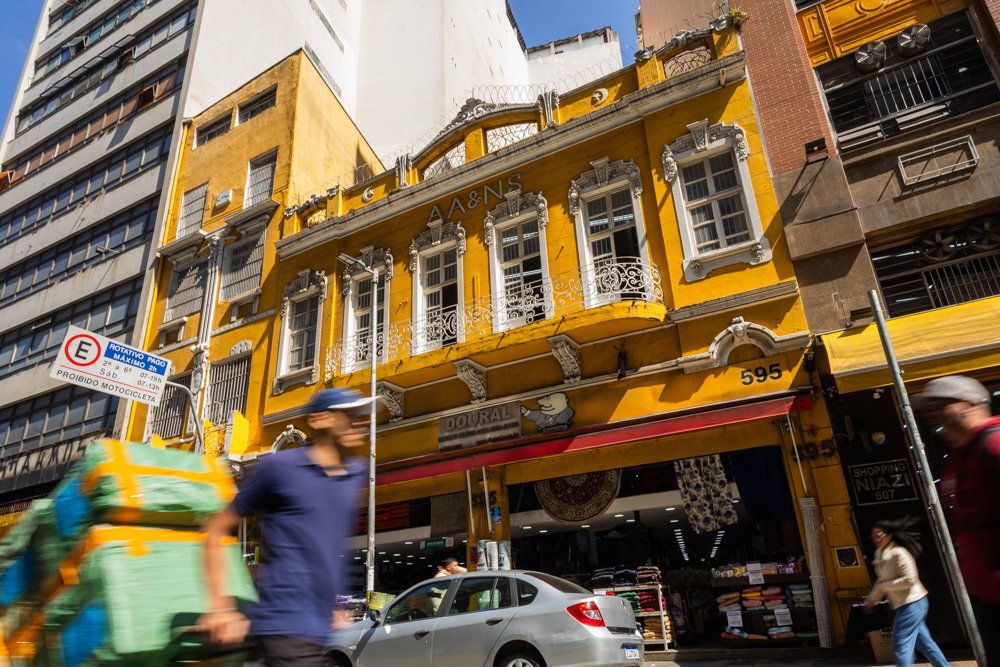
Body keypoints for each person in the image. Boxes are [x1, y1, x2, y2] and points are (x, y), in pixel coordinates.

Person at [197, 388, 372, 667]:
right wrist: (221, 609)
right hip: (282, 625)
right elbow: (215, 529)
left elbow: (324, 547)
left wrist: (336, 605)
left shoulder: (354, 474)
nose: (361, 422)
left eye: (361, 415)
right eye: (349, 414)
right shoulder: (280, 468)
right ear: (319, 419)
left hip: (317, 631)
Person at [914, 375, 1000, 665]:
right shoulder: (959, 456)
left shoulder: (994, 444)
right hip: (988, 598)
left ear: (970, 403)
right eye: (929, 409)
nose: (932, 414)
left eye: (941, 405)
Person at [864, 517, 949, 667]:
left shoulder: (899, 553)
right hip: (905, 605)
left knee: (901, 644)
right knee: (925, 644)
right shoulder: (879, 554)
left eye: (879, 535)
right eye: (873, 536)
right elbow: (881, 582)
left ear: (889, 536)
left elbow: (910, 579)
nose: (875, 539)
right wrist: (872, 601)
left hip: (913, 603)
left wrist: (885, 586)